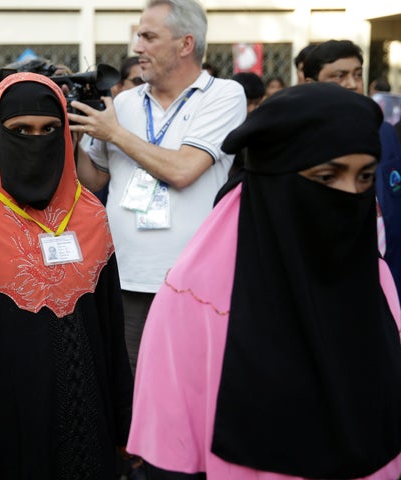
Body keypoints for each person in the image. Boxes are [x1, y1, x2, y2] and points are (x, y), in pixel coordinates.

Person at [128, 82, 401, 480]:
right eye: (326, 177)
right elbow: (171, 456)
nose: (350, 195)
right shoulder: (196, 296)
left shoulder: (373, 277)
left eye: (365, 177)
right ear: (275, 177)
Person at [0, 72, 133, 479]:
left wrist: (126, 424)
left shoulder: (91, 215)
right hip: (9, 432)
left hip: (89, 424)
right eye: (20, 130)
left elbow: (111, 332)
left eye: (48, 130)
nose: (35, 140)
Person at [70, 0, 246, 375]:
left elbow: (183, 169)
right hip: (124, 278)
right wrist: (69, 143)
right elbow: (95, 179)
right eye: (138, 36)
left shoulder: (223, 95)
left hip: (192, 282)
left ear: (185, 44)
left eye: (148, 36)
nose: (137, 47)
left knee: (187, 387)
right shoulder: (124, 102)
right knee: (130, 394)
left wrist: (114, 132)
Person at [303, 39, 401, 304]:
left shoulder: (385, 132)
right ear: (312, 84)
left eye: (357, 74)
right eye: (339, 75)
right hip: (329, 281)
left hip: (390, 278)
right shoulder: (300, 140)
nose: (352, 83)